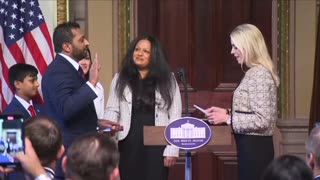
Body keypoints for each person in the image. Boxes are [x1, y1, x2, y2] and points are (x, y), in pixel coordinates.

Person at [204, 24, 280, 180]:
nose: (232, 52)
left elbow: (263, 120)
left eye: (235, 47)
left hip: (256, 151)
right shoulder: (254, 72)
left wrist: (228, 119)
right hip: (250, 149)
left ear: (248, 45)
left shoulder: (260, 74)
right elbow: (251, 110)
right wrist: (226, 113)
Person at [101, 34, 182, 180]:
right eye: (137, 49)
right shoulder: (120, 78)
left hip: (158, 143)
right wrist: (108, 131)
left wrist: (173, 148)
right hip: (129, 142)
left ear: (154, 55)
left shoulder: (168, 79)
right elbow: (112, 109)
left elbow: (175, 116)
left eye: (145, 51)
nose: (139, 54)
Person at [79, 48, 105, 119]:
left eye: (87, 58)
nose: (84, 62)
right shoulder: (68, 84)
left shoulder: (98, 87)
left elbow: (100, 118)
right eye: (80, 58)